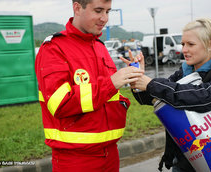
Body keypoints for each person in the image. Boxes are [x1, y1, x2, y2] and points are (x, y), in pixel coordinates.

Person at [35, 0, 143, 171]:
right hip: (76, 160)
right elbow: (59, 103)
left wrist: (132, 80)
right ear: (77, 8)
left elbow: (110, 94)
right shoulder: (54, 48)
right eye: (98, 11)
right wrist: (111, 83)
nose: (105, 18)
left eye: (108, 11)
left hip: (111, 154)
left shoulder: (99, 47)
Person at [120, 18, 211, 172]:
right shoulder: (183, 72)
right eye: (183, 44)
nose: (184, 50)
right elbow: (154, 97)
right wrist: (137, 78)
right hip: (184, 161)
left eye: (191, 44)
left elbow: (201, 97)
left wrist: (151, 84)